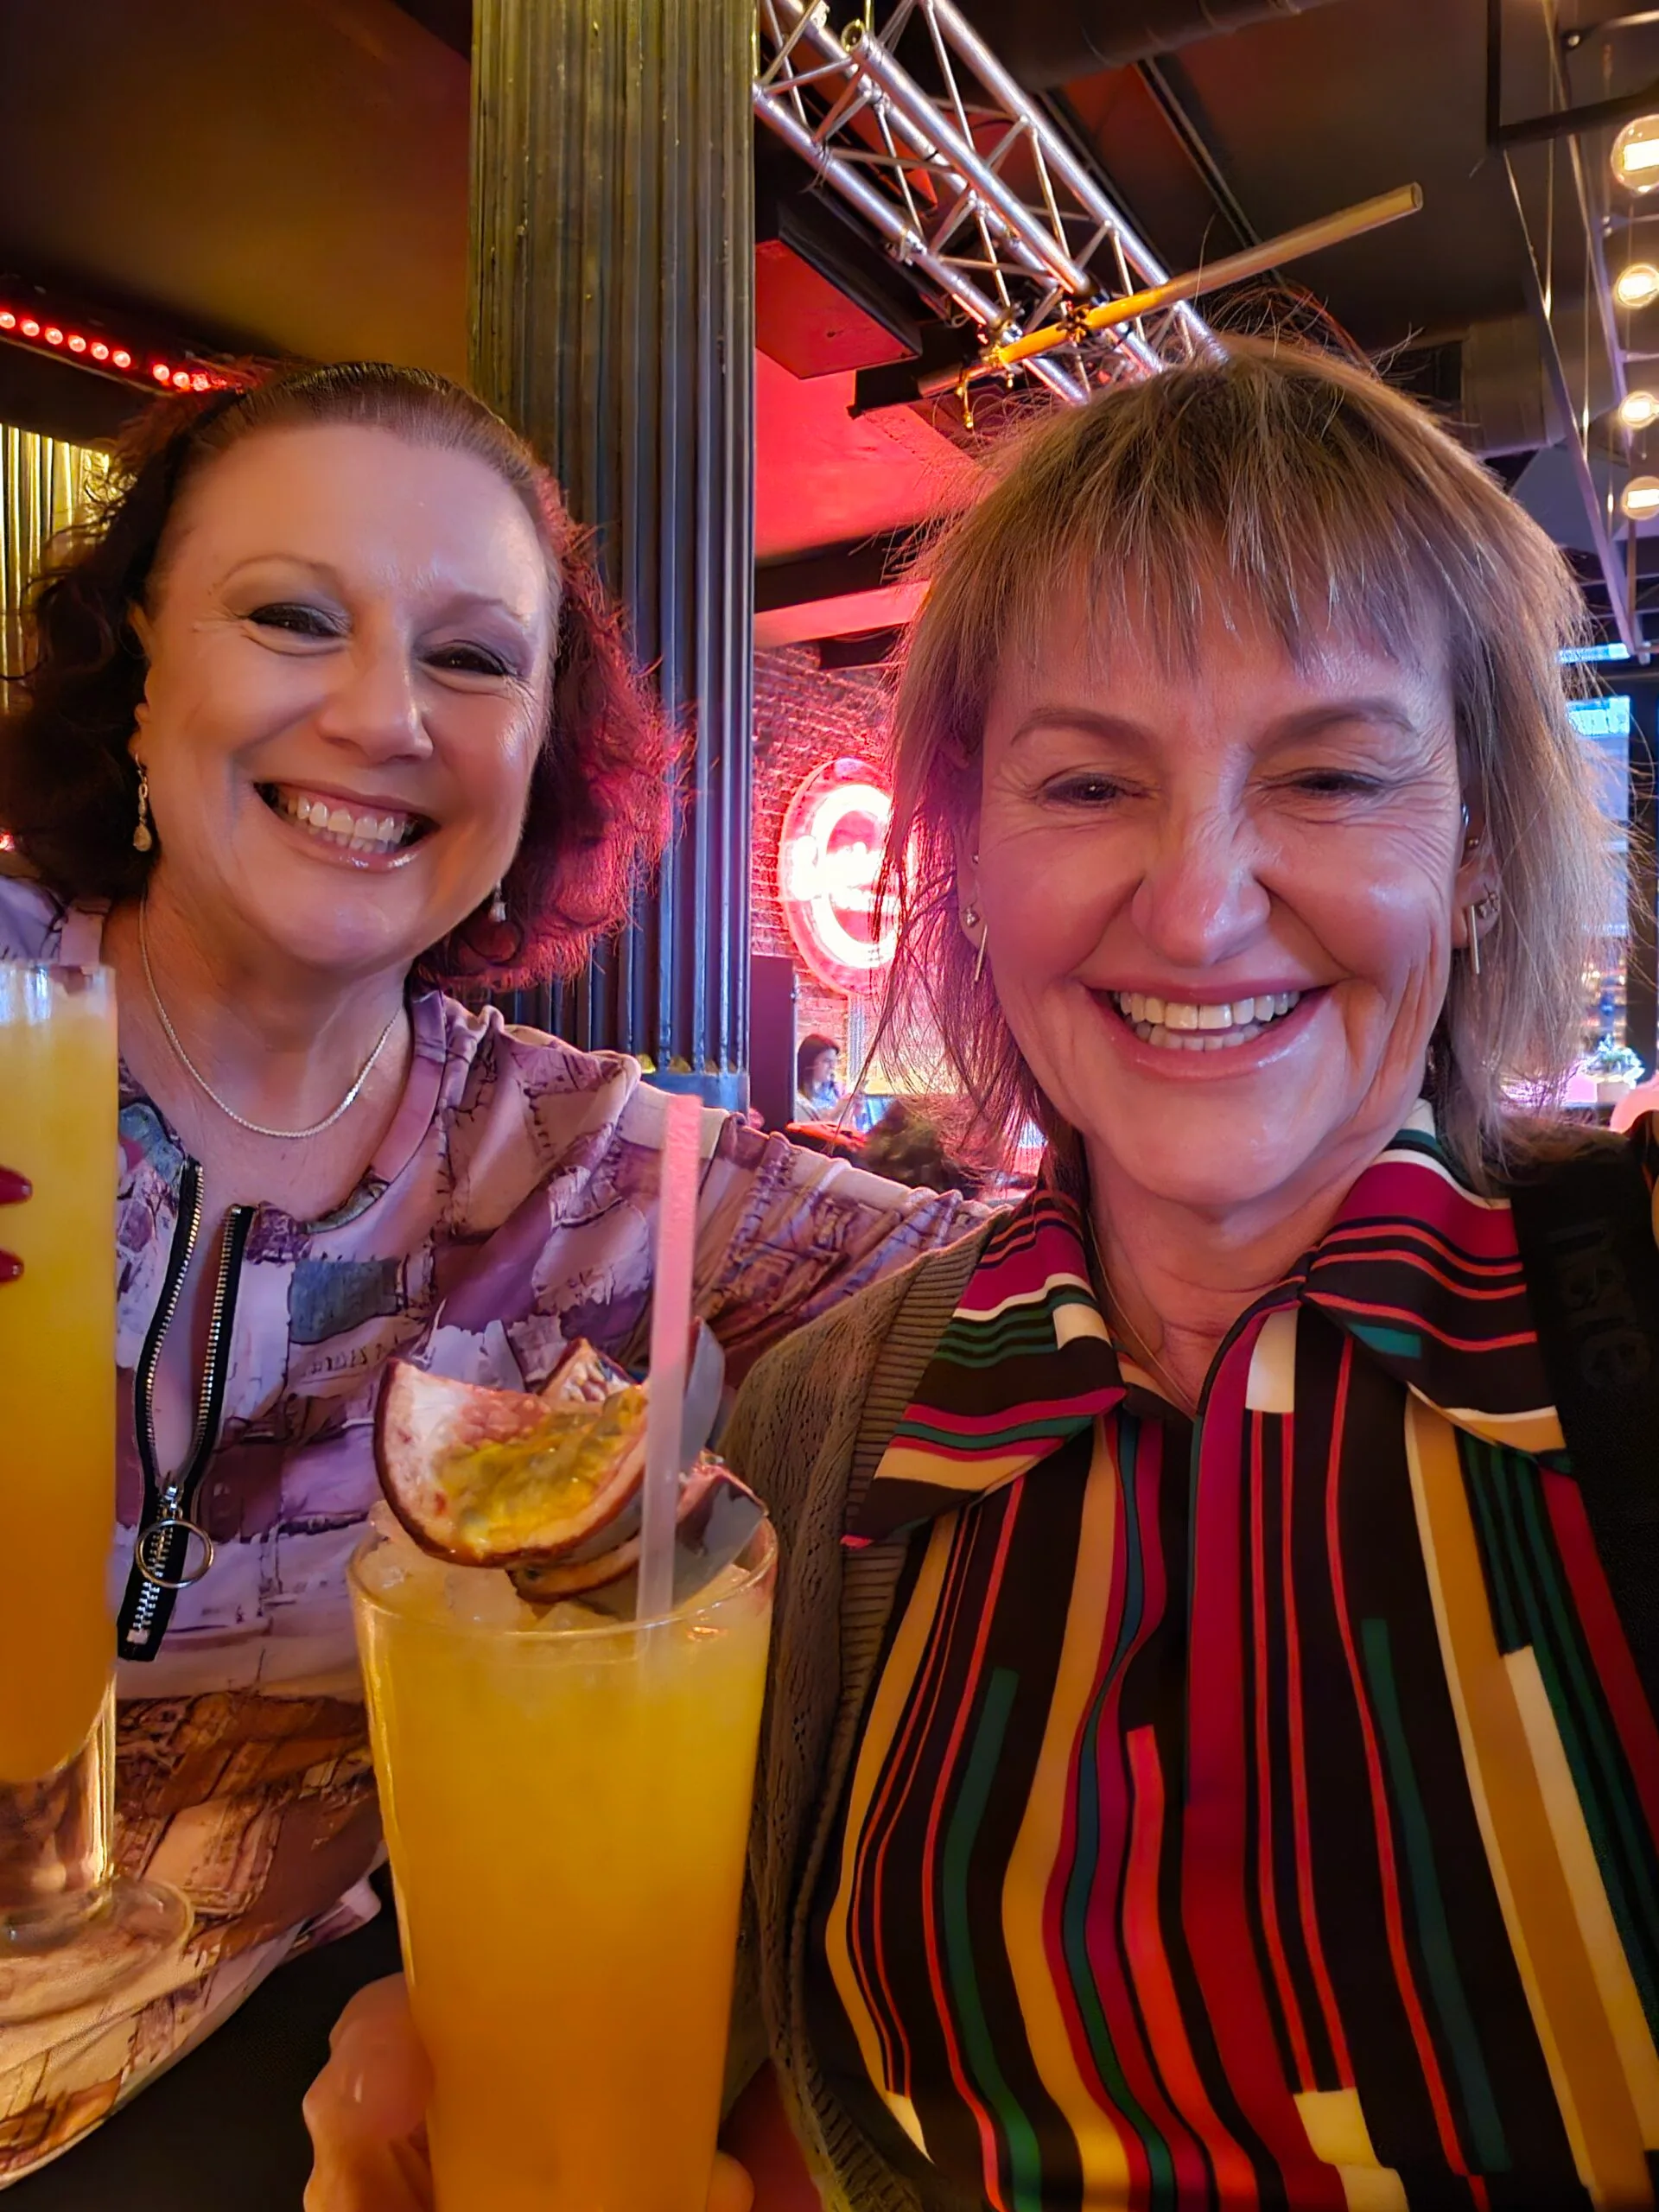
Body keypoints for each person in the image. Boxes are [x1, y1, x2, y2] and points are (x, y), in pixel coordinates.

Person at [309, 334, 1659, 2211]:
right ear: (970, 864)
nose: (1196, 905)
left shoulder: (1615, 1323)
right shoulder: (826, 1437)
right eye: (1088, 786)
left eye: (1335, 774)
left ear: (1488, 855)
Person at [0, 360, 976, 2187]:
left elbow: (1037, 1291)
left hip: (238, 2064)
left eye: (471, 659)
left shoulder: (582, 1160)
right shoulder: (10, 1010)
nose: (383, 714)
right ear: (141, 675)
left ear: (540, 753)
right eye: (292, 615)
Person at [795, 1031, 843, 1123]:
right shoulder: (797, 1101)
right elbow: (811, 1134)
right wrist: (837, 1112)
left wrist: (852, 1111)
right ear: (809, 1062)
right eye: (827, 1061)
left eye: (834, 1061)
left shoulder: (834, 1092)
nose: (832, 1066)